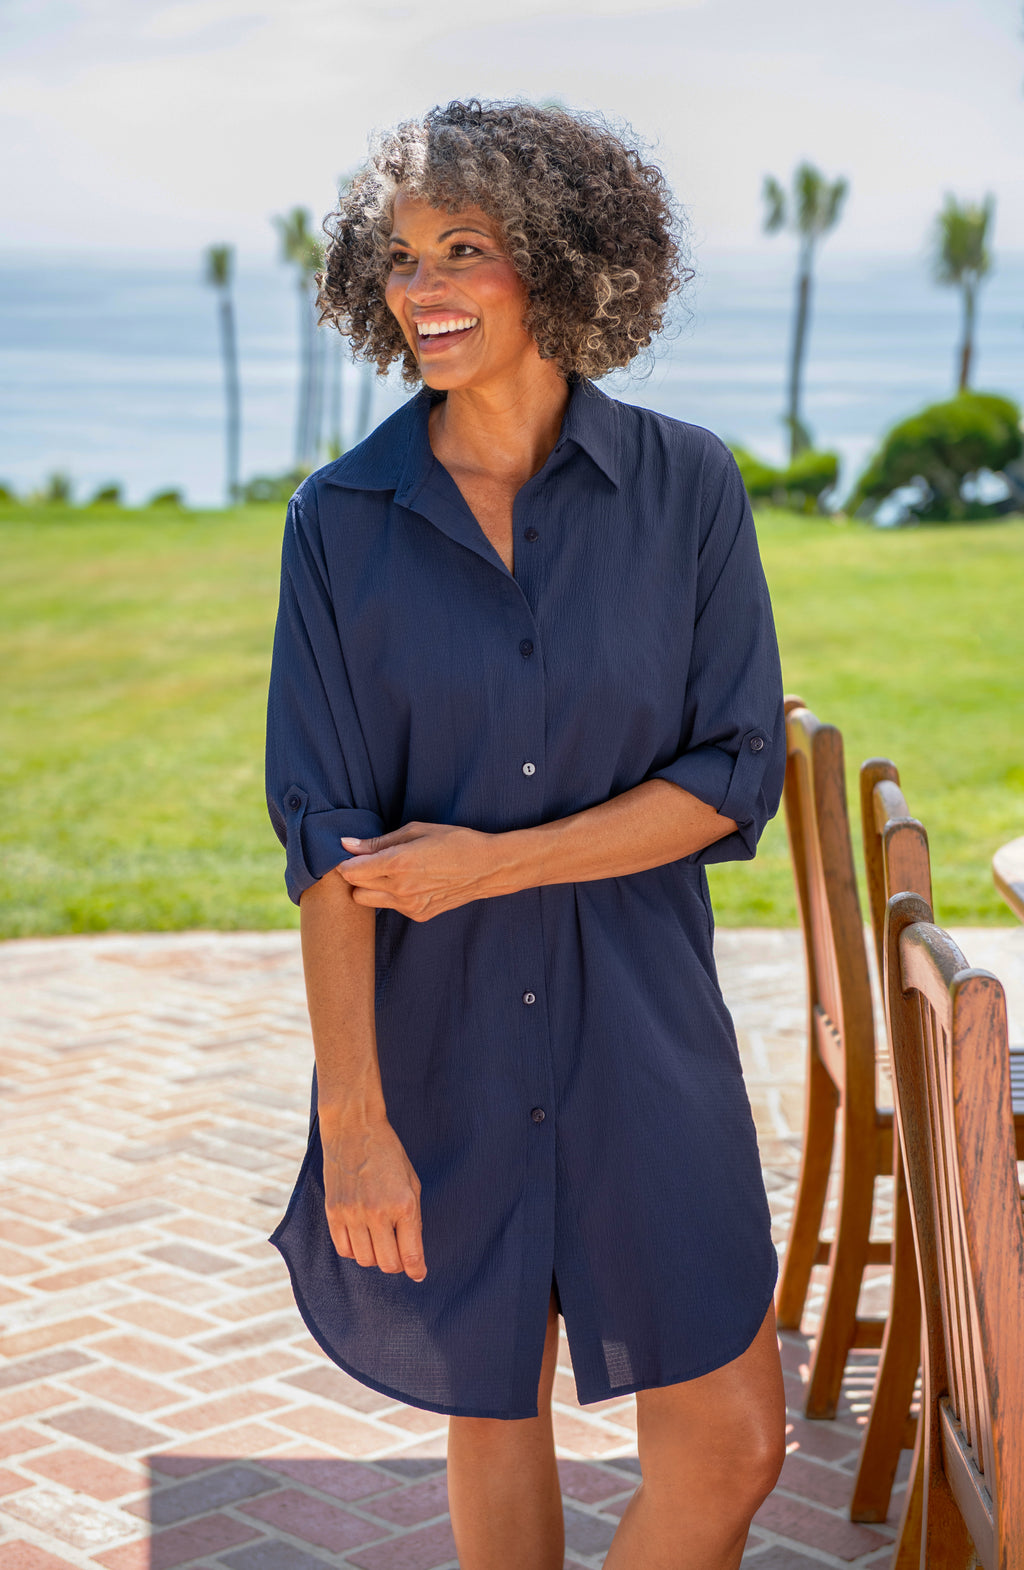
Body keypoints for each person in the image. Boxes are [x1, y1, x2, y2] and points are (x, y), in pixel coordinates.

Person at [266, 99, 787, 1570]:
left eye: (466, 250)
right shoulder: (339, 522)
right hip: (439, 1040)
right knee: (493, 1405)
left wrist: (491, 860)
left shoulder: (685, 487)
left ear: (560, 263)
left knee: (736, 1440)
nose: (421, 288)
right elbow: (325, 841)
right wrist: (356, 1126)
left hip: (643, 1026)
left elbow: (730, 772)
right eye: (401, 256)